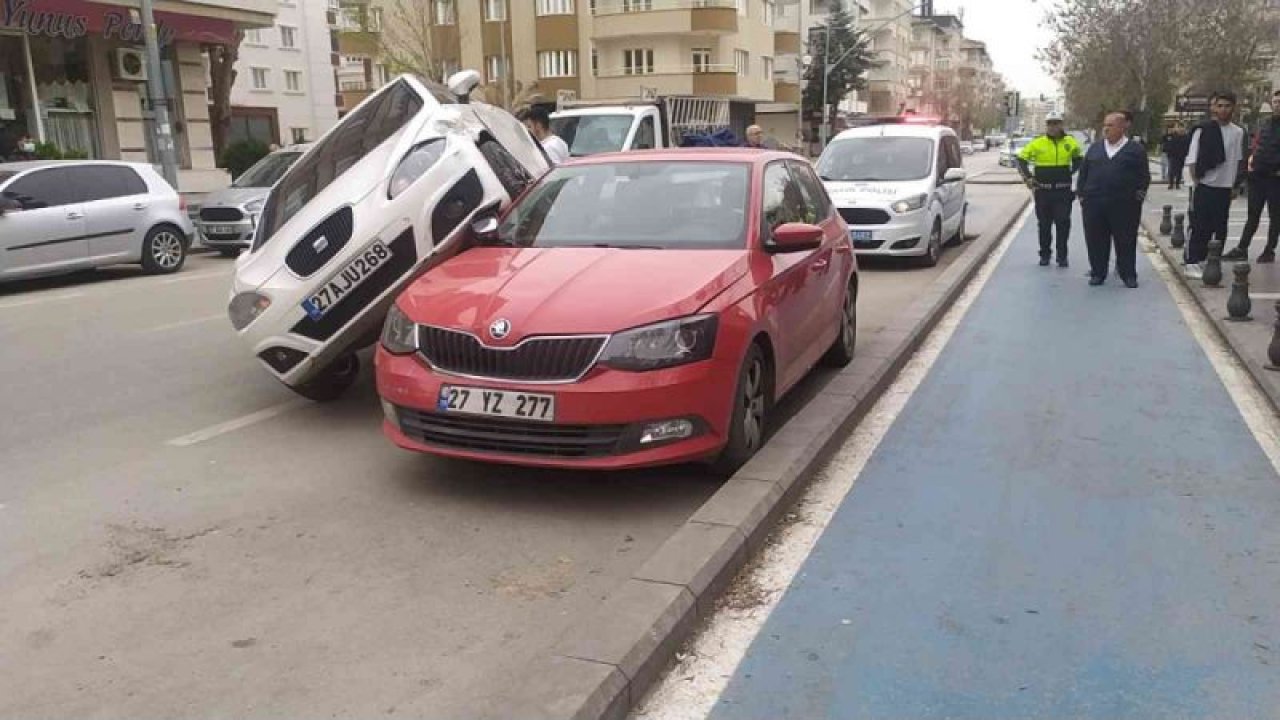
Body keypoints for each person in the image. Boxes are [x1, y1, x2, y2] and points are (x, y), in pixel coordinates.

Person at [1077, 111, 1151, 288]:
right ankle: (1098, 273)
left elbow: (1143, 176)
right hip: (1094, 203)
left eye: (1110, 125)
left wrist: (1139, 195)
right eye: (1105, 125)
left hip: (1124, 205)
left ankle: (1128, 275)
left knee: (1125, 240)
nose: (1106, 129)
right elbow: (1083, 173)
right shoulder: (1095, 148)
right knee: (1096, 240)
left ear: (1122, 127)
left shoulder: (1135, 150)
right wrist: (1082, 195)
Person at [1016, 111, 1084, 267]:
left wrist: (1074, 179)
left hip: (1063, 191)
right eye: (1050, 124)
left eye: (1056, 123)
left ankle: (1062, 256)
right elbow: (1021, 160)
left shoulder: (1070, 142)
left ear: (1061, 125)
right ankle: (1045, 254)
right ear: (1046, 125)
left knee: (1063, 223)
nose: (1053, 127)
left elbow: (1080, 162)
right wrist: (1028, 177)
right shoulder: (1037, 143)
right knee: (1044, 225)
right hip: (1043, 191)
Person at [1186, 91, 1245, 266]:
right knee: (1199, 226)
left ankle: (1212, 260)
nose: (1223, 110)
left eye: (1227, 106)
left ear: (1233, 108)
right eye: (1220, 106)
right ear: (1213, 108)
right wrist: (1196, 182)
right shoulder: (1202, 130)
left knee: (1220, 227)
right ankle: (1193, 261)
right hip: (1205, 185)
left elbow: (1237, 159)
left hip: (1225, 187)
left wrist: (1235, 185)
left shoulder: (1238, 132)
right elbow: (1192, 159)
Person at [1225, 88, 1280, 262]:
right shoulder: (1265, 123)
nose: (1278, 105)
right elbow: (1257, 145)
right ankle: (1242, 248)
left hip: (1275, 178)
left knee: (1275, 216)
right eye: (1276, 101)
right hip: (1257, 176)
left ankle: (1269, 250)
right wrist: (1251, 160)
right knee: (1253, 214)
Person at [1161, 123, 1190, 190]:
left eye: (1182, 128)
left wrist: (1186, 154)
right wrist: (1167, 151)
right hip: (1173, 155)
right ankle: (1171, 184)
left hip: (1182, 156)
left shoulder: (1186, 137)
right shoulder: (1173, 136)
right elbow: (1167, 143)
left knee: (1179, 170)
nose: (1181, 129)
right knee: (1171, 169)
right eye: (1179, 127)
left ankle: (1177, 184)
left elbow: (1188, 146)